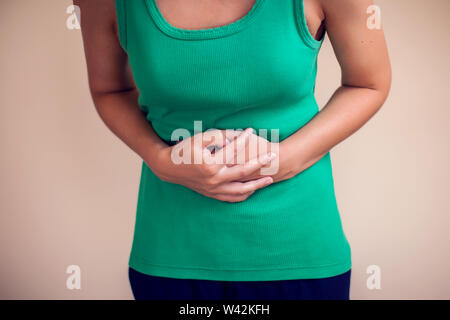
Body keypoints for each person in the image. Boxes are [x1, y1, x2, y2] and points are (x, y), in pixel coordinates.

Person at [76, 0, 391, 300]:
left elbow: (368, 83)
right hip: (172, 256)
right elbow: (110, 89)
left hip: (299, 257)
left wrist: (284, 161)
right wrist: (160, 159)